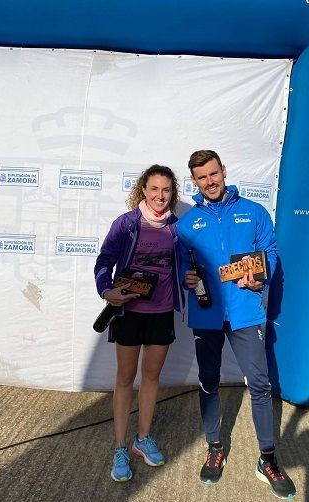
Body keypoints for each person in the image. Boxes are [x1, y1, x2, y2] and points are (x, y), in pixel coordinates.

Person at [177, 150, 296, 499]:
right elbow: (182, 266)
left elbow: (269, 253)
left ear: (224, 171)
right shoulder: (187, 224)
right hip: (207, 314)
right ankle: (215, 447)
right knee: (208, 382)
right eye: (202, 177)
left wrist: (259, 277)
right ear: (194, 181)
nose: (210, 181)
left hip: (245, 313)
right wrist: (185, 277)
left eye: (213, 173)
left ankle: (267, 459)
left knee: (259, 384)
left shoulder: (254, 212)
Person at [94, 164, 181, 482]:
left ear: (173, 193)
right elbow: (104, 261)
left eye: (166, 190)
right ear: (143, 190)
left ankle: (142, 439)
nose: (160, 195)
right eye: (154, 188)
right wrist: (107, 291)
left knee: (151, 376)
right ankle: (120, 446)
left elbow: (187, 265)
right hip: (129, 312)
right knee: (125, 378)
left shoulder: (178, 227)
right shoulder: (126, 223)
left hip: (162, 312)